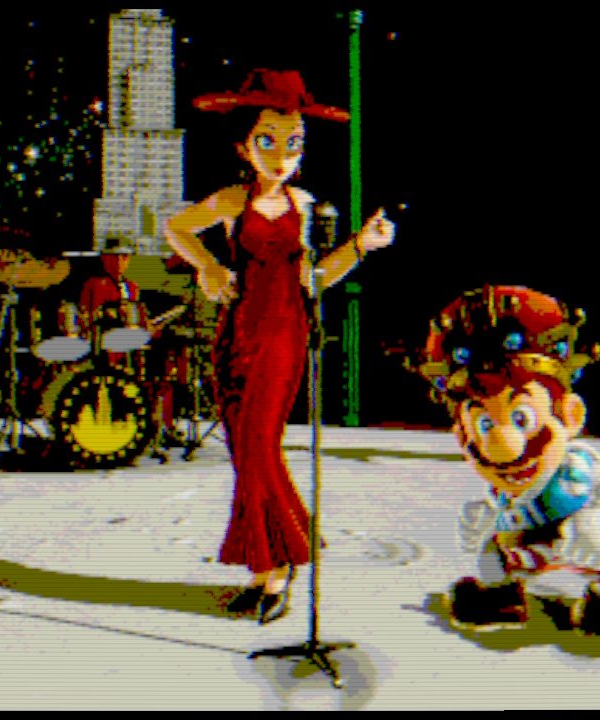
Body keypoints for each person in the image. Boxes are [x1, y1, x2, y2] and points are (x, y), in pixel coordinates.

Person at [164, 69, 395, 624]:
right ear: (243, 146)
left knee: (260, 449)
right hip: (236, 335)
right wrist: (209, 267)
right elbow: (177, 229)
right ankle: (269, 564)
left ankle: (278, 564)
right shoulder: (231, 200)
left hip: (284, 337)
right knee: (244, 453)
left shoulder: (303, 204)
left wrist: (361, 246)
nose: (282, 155)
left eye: (293, 143)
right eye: (267, 141)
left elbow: (314, 279)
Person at [421, 285, 600, 647]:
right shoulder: (506, 485)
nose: (503, 446)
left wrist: (599, 526)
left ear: (570, 416)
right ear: (462, 434)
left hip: (586, 544)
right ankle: (500, 596)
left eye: (521, 418)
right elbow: (499, 511)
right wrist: (481, 524)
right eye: (484, 425)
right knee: (491, 558)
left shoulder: (584, 469)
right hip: (525, 543)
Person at [77, 237, 181, 445]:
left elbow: (139, 319)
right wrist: (113, 315)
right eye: (114, 257)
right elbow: (88, 317)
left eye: (124, 257)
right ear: (104, 259)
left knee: (165, 368)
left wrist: (150, 326)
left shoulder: (132, 286)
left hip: (134, 347)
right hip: (108, 347)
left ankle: (162, 425)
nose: (119, 262)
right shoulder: (95, 284)